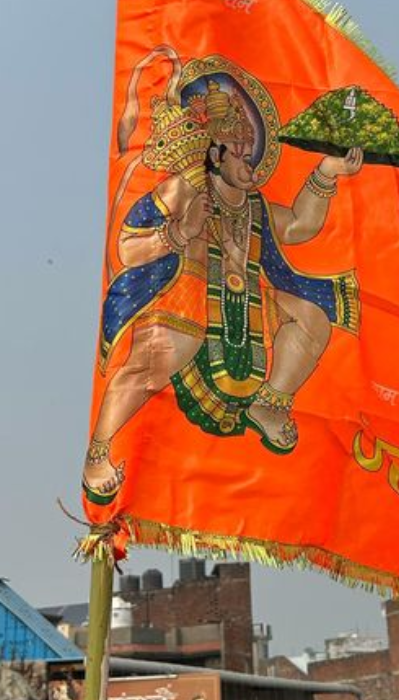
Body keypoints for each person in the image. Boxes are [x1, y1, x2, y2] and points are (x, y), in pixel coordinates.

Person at [84, 76, 363, 504]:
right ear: (214, 153)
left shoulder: (254, 205)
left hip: (247, 303)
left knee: (311, 318)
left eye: (250, 145)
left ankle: (269, 402)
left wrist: (326, 172)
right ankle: (100, 452)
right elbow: (127, 246)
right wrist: (177, 235)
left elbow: (301, 225)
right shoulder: (183, 190)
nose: (248, 155)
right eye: (238, 148)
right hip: (188, 290)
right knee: (158, 355)